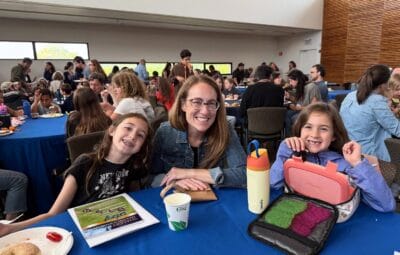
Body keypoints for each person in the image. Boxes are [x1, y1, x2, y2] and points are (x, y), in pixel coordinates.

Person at [0, 113, 153, 237]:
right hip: (81, 229)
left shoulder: (134, 167)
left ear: (142, 145)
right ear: (112, 130)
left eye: (140, 135)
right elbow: (54, 213)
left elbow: (133, 199)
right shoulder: (84, 163)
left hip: (116, 226)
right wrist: (11, 228)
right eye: (128, 128)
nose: (133, 136)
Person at [271, 102, 395, 212]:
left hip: (334, 224)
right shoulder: (292, 155)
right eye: (308, 127)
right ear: (300, 130)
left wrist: (358, 164)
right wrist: (284, 153)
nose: (314, 134)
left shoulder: (346, 166)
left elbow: (386, 205)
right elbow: (274, 184)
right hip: (297, 214)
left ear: (334, 136)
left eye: (323, 129)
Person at [151, 75, 246, 189]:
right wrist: (173, 181)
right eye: (196, 102)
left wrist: (188, 173)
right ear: (183, 104)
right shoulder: (165, 132)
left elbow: (244, 174)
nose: (205, 111)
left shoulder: (225, 129)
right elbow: (150, 176)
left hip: (214, 203)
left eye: (211, 103)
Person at [340, 64, 400, 161]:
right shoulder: (377, 101)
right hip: (371, 156)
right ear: (383, 85)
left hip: (348, 150)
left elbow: (367, 121)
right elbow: (397, 130)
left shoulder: (350, 96)